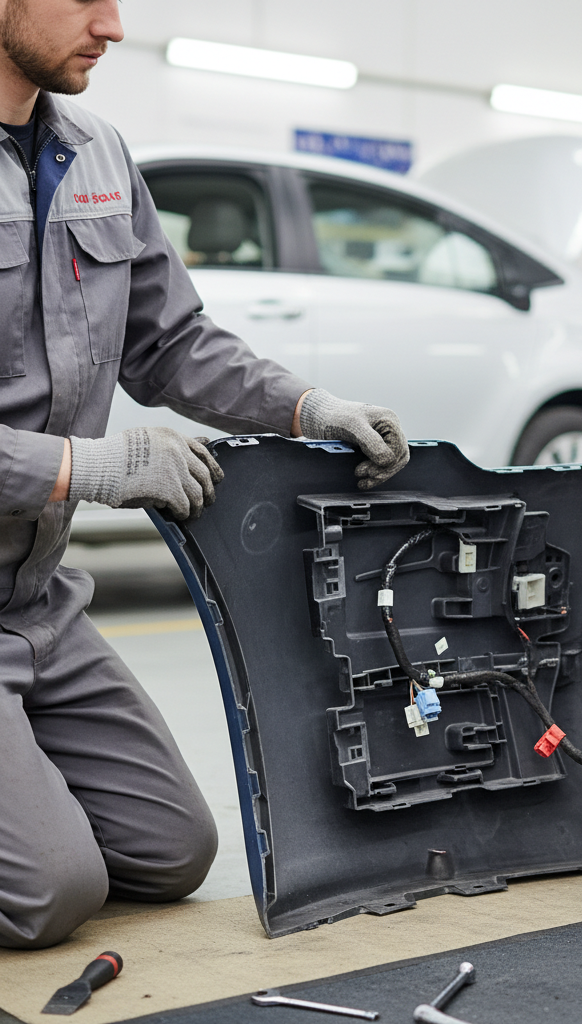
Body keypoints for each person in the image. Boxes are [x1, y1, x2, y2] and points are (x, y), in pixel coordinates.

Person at [0, 0, 409, 948]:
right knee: (50, 894)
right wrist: (88, 467)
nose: (112, 24)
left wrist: (310, 409)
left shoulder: (96, 151)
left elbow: (173, 343)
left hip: (36, 605)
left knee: (171, 853)